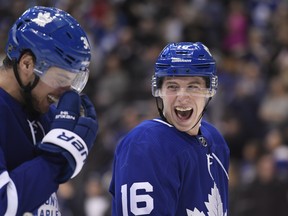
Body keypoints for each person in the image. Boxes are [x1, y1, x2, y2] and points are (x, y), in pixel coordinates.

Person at [109, 42, 230, 215]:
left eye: (193, 86)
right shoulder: (146, 144)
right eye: (172, 86)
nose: (182, 97)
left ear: (209, 90)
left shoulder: (216, 141)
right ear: (159, 90)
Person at [0, 6, 98, 215]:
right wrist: (58, 158)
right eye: (60, 80)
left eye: (74, 82)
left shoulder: (47, 115)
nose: (65, 93)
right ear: (27, 64)